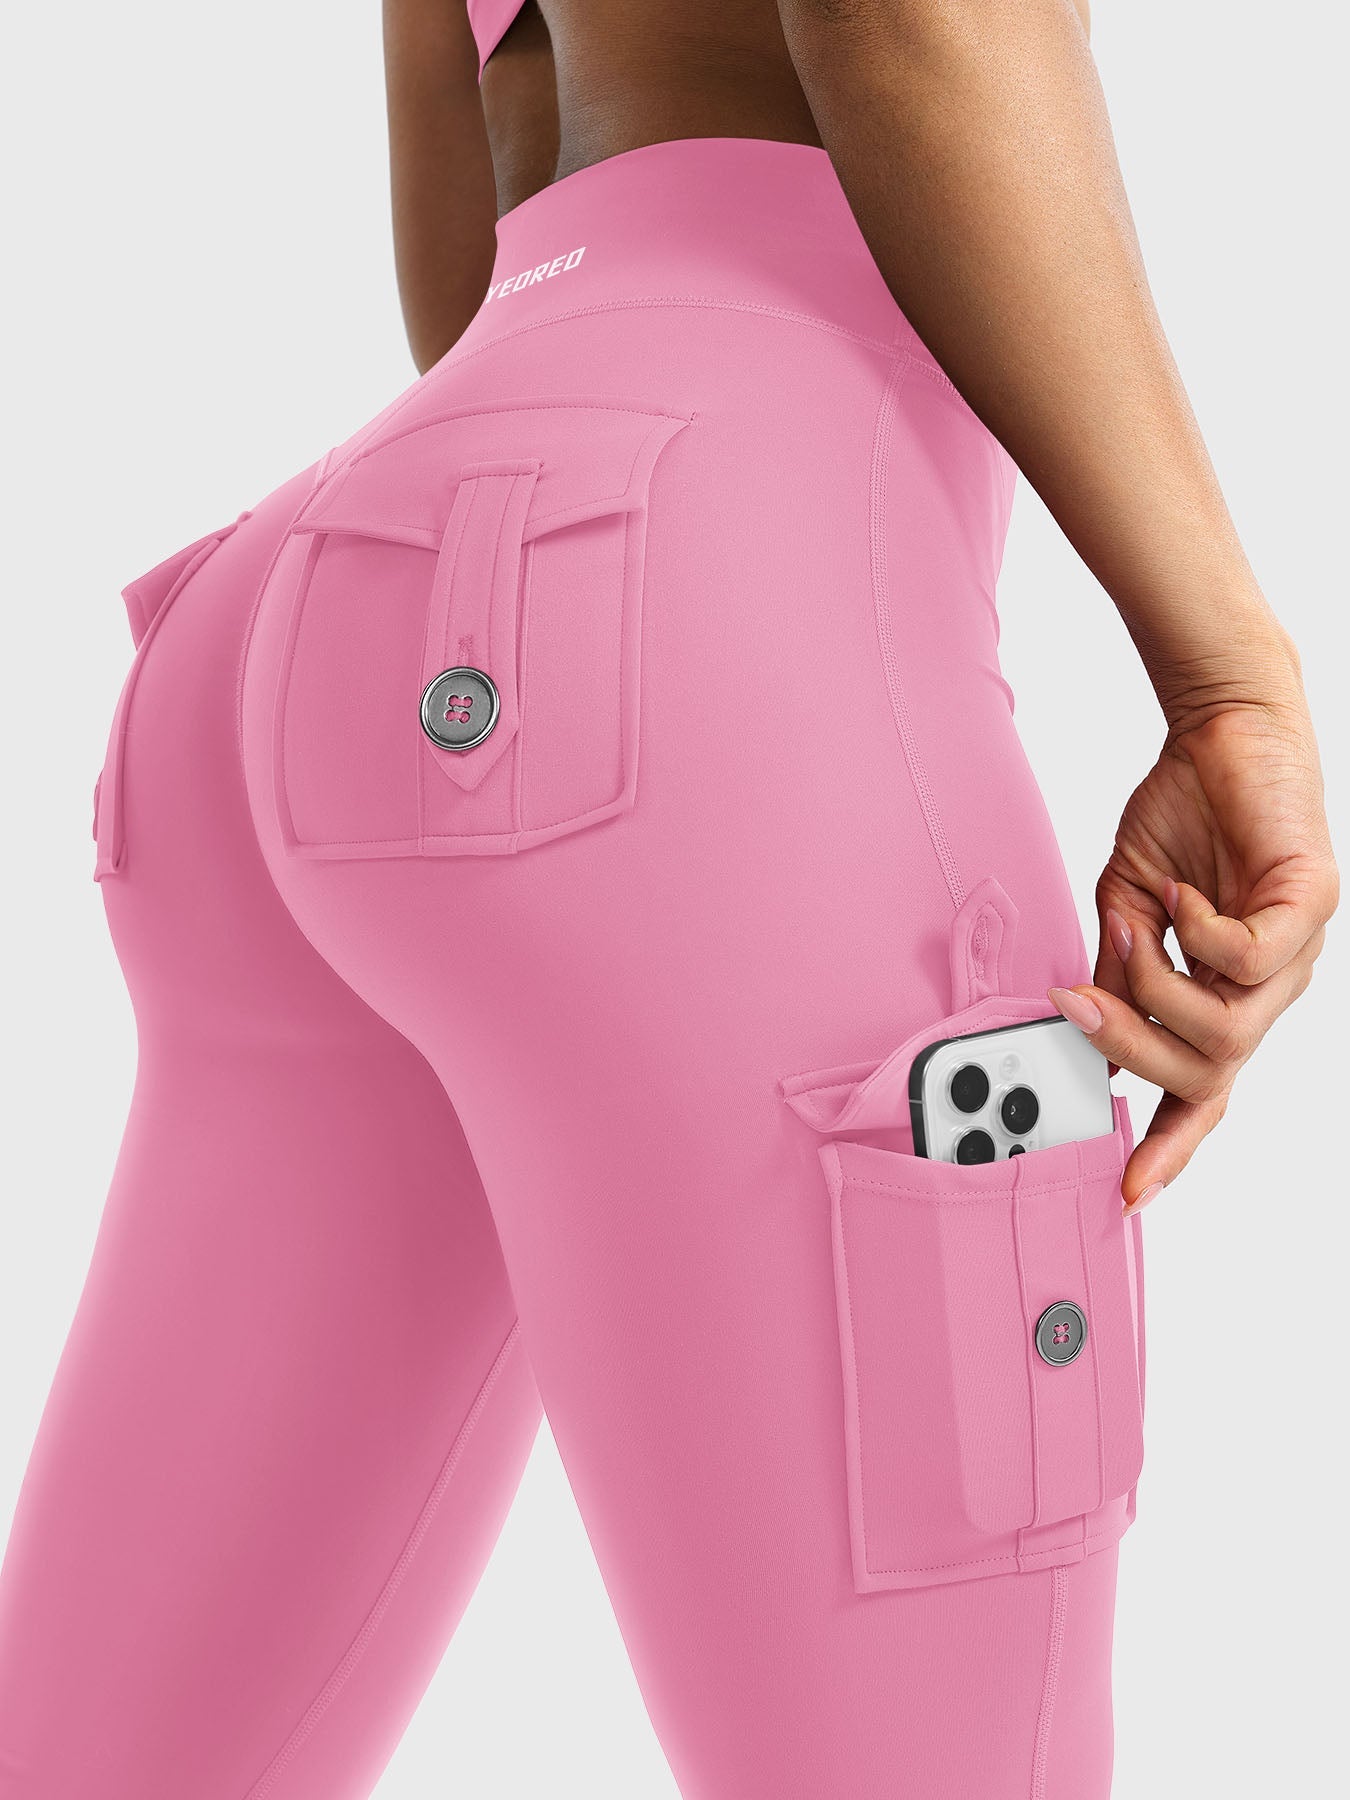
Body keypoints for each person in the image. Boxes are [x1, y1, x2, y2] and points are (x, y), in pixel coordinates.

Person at [0, 1, 1336, 1795]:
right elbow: (904, 19)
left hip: (315, 609)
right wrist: (1225, 680)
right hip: (703, 617)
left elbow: (471, 189)